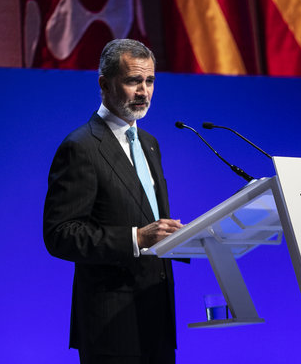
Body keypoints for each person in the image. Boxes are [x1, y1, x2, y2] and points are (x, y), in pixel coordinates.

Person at [43, 39, 183, 364]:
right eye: (133, 80)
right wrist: (136, 238)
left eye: (149, 81)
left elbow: (149, 217)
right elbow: (60, 233)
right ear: (104, 84)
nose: (143, 91)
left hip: (157, 320)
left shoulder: (149, 144)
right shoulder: (82, 147)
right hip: (111, 327)